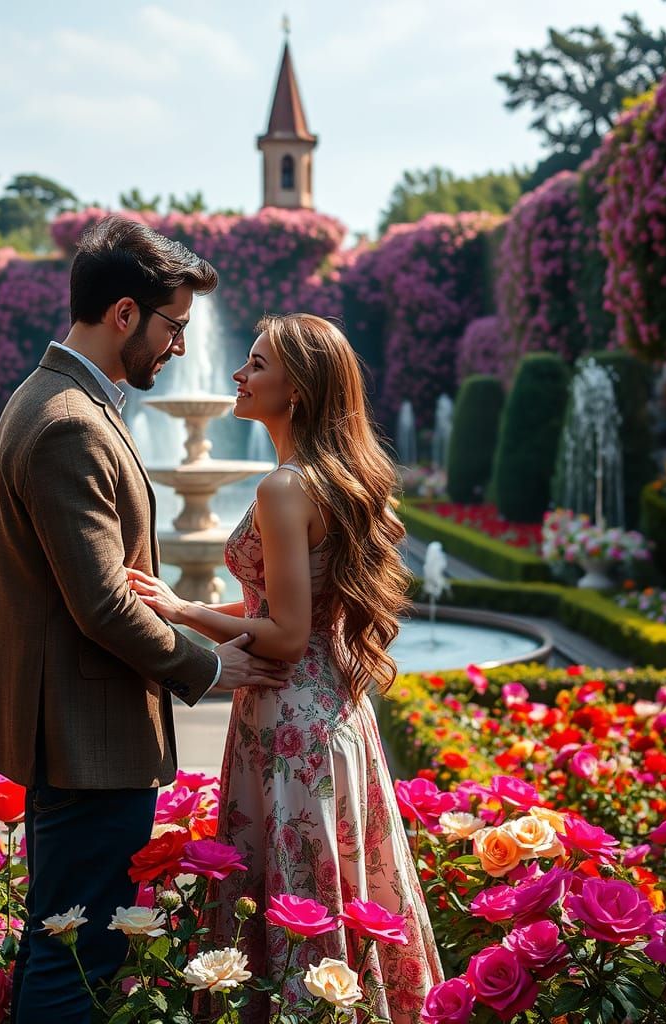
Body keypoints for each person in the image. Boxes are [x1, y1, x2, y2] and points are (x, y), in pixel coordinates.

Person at [0, 216, 292, 1024]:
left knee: (66, 944)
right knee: (75, 959)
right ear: (124, 314)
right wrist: (211, 664)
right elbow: (102, 603)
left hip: (82, 737)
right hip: (89, 743)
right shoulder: (68, 424)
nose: (181, 347)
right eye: (173, 327)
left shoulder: (60, 400)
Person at [127, 313, 443, 1022]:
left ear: (295, 390)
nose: (238, 375)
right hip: (334, 719)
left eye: (257, 364)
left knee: (297, 896)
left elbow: (287, 633)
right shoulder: (333, 479)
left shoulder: (284, 488)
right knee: (337, 891)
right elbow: (295, 611)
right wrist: (206, 609)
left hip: (288, 722)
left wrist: (183, 611)